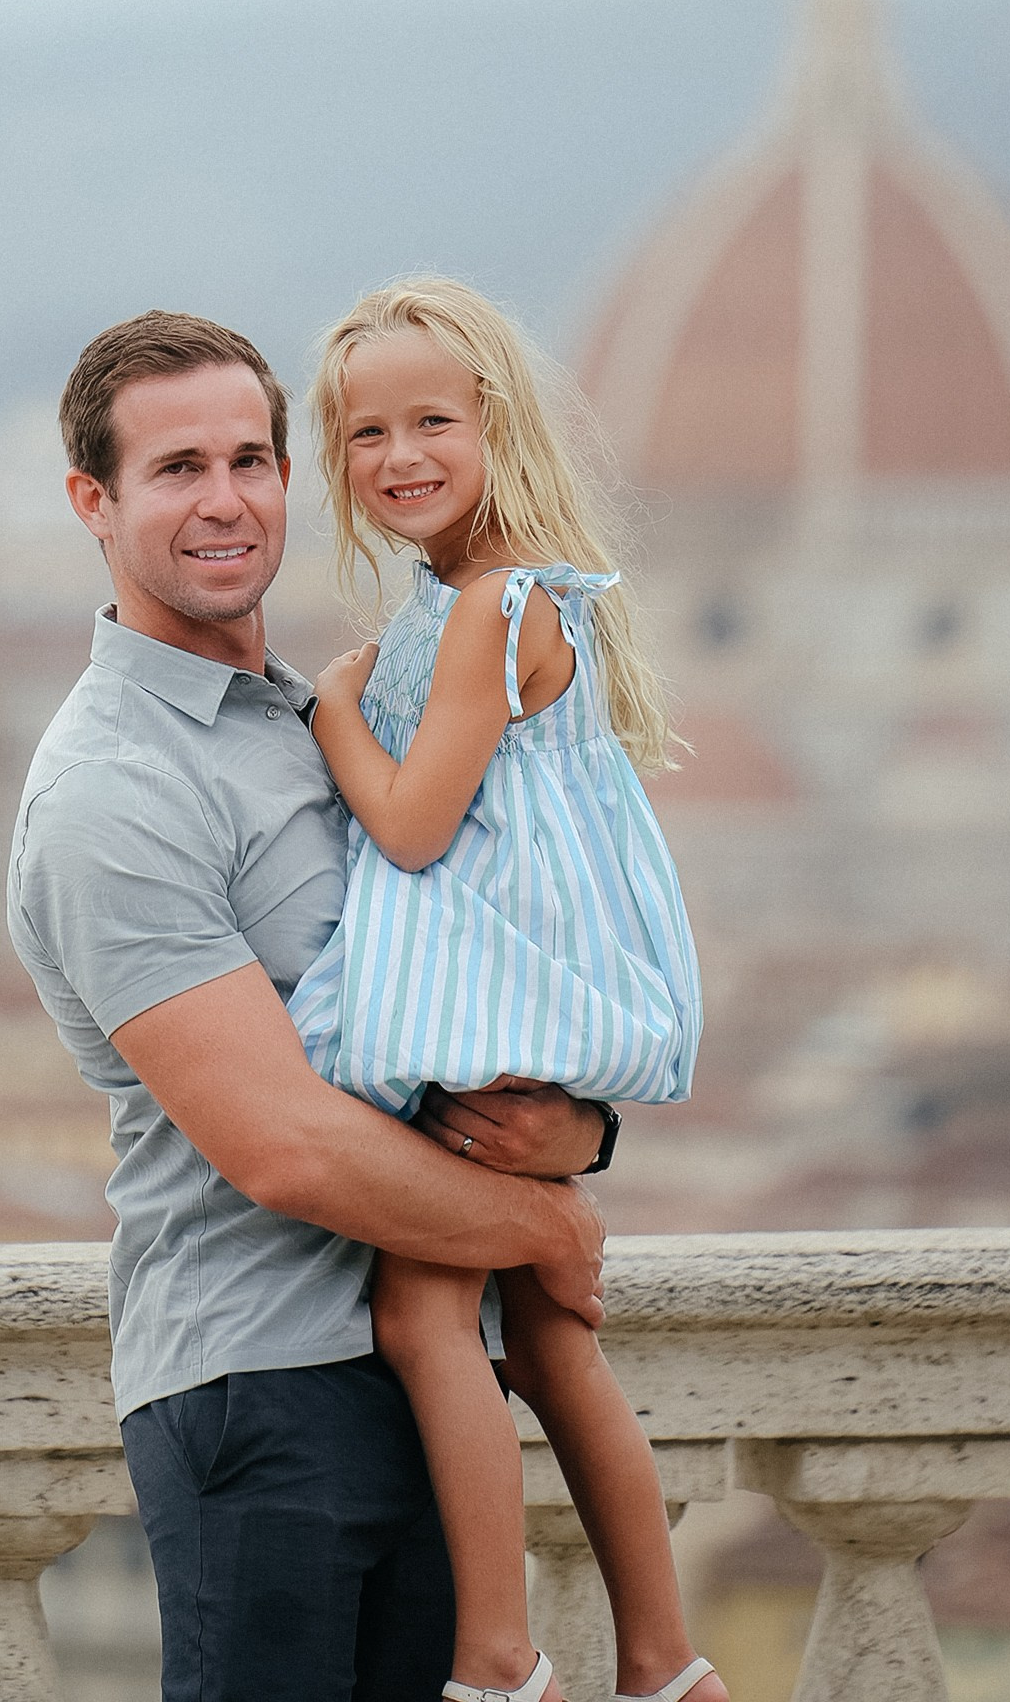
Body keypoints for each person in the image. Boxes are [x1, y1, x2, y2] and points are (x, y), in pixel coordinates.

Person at [8, 309, 614, 1702]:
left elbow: (478, 1002)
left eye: (250, 459)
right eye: (175, 470)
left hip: (427, 1373)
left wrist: (580, 1136)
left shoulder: (328, 727)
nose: (225, 500)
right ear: (92, 504)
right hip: (259, 1391)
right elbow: (279, 1144)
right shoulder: (114, 793)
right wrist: (541, 1223)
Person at [287, 278, 720, 1702]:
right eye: (364, 435)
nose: (398, 456)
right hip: (527, 1006)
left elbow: (412, 827)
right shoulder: (508, 592)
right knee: (544, 1335)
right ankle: (663, 1664)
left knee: (423, 1319)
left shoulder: (492, 606)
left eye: (430, 422)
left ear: (498, 426)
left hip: (490, 1017)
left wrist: (338, 713)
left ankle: (497, 1657)